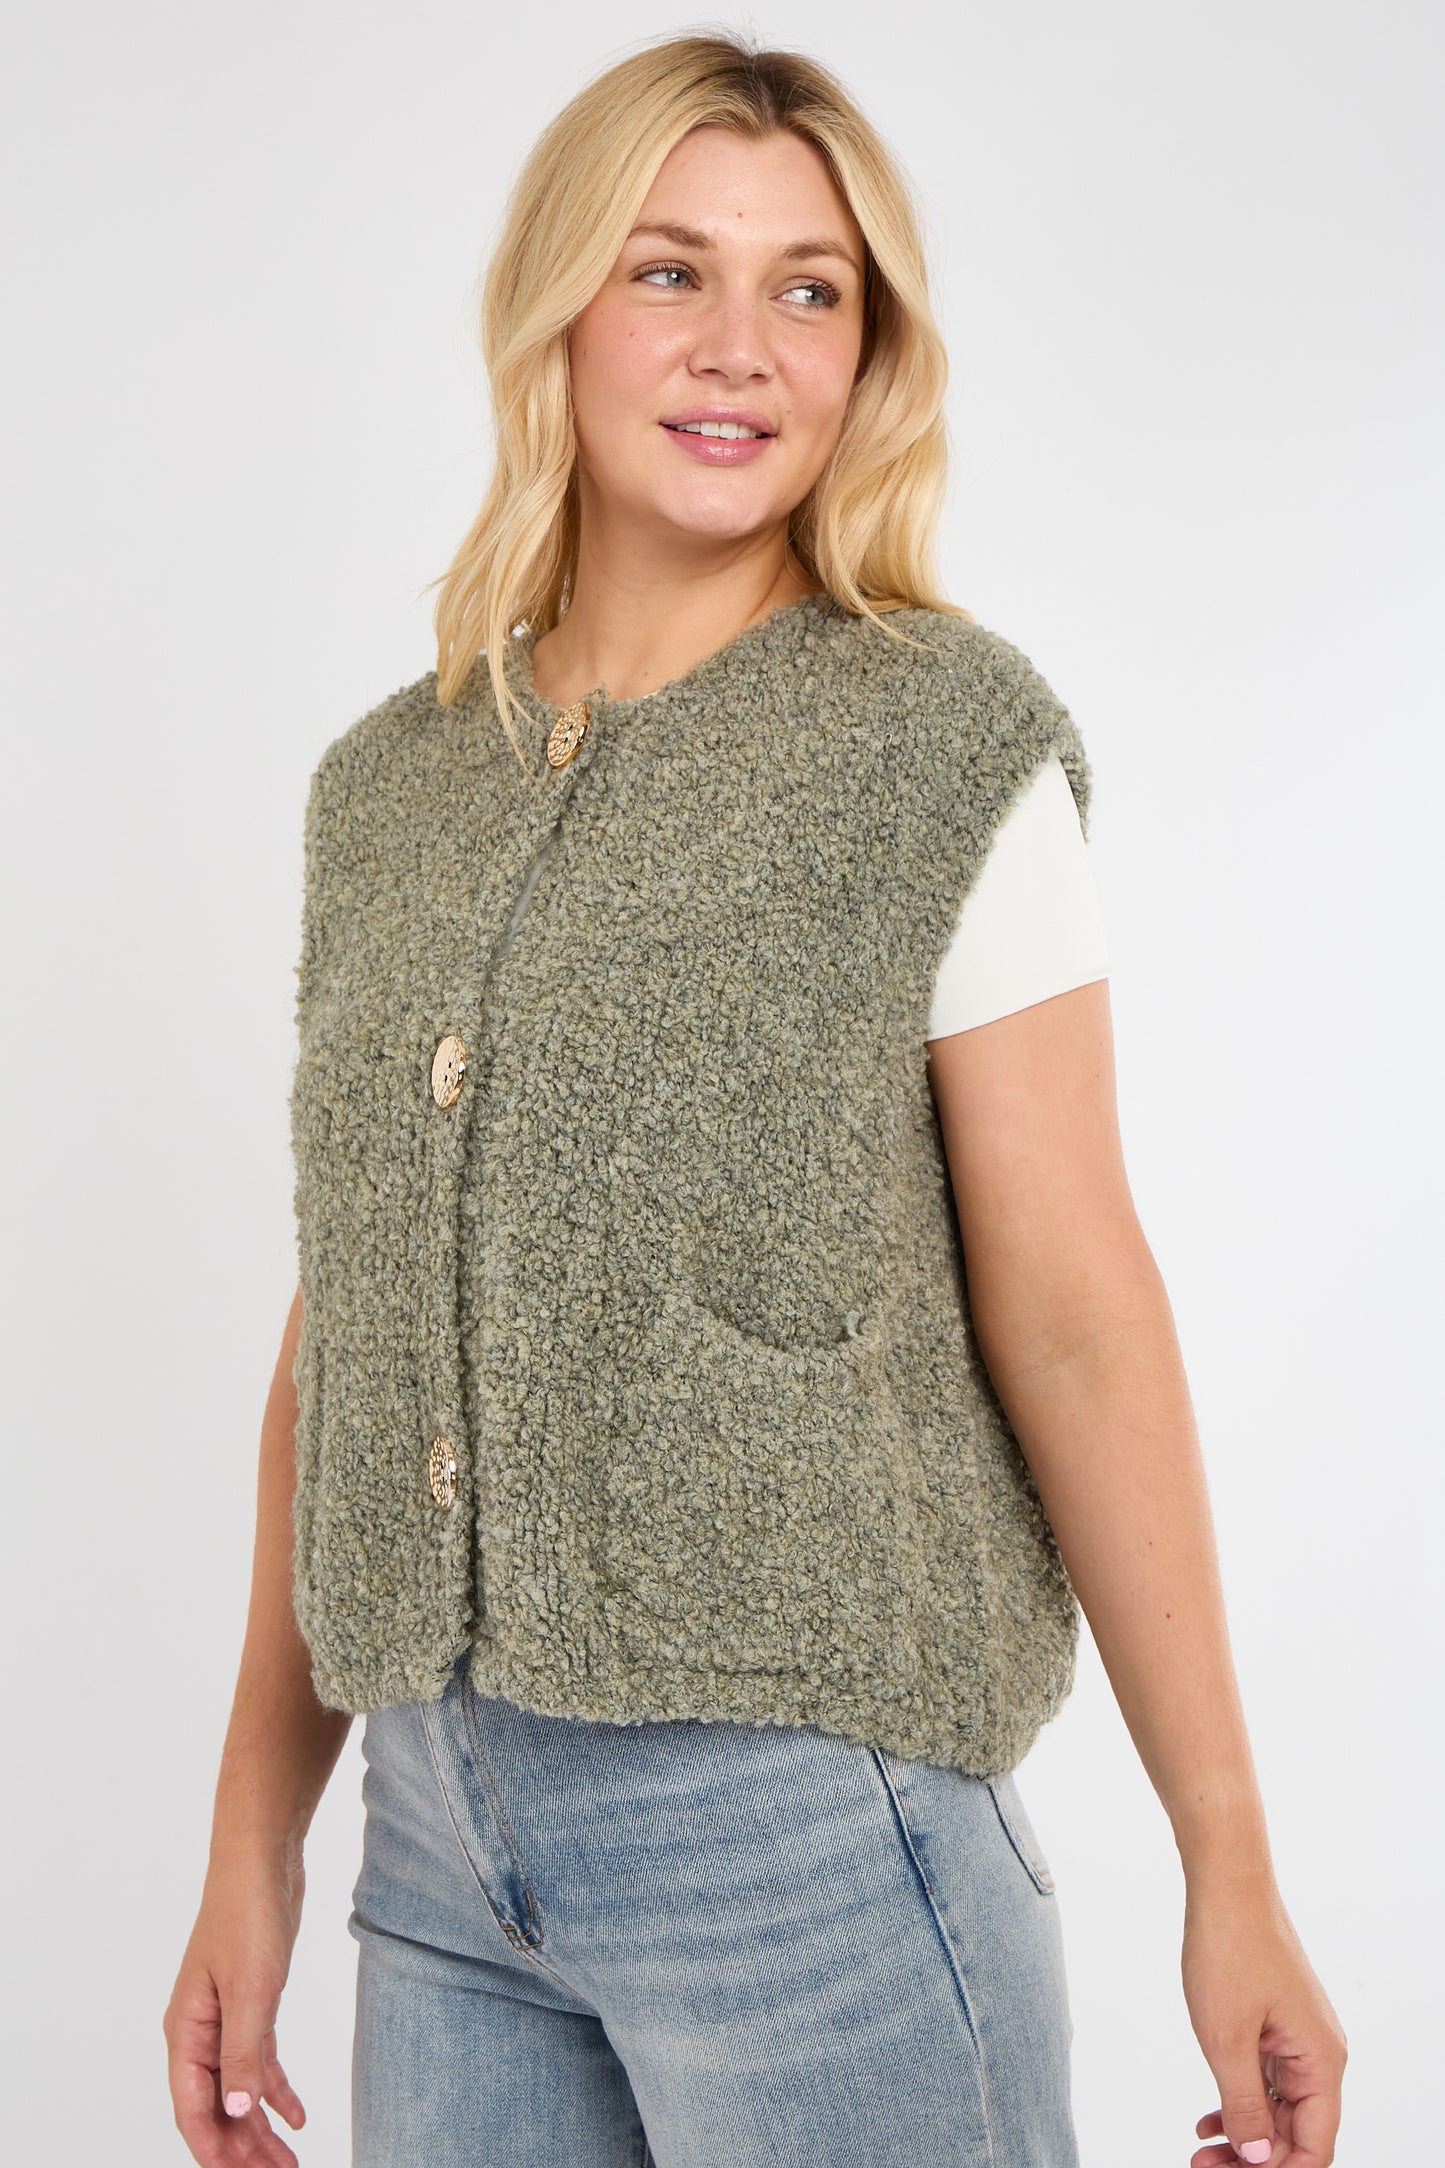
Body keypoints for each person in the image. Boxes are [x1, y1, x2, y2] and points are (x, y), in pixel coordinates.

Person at [164, 32, 1346, 2168]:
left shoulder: (940, 743)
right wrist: (256, 1839)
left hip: (811, 1852)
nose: (742, 348)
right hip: (439, 1869)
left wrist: (1228, 1856)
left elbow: (1078, 1309)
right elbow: (347, 1334)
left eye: (811, 289)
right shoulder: (390, 785)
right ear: (555, 310)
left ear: (868, 353)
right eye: (669, 272)